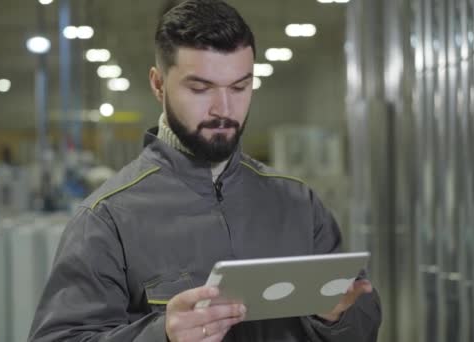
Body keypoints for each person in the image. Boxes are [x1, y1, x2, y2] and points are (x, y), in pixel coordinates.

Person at [28, 0, 381, 341]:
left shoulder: (298, 203)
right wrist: (161, 335)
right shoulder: (107, 219)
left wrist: (337, 316)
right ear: (158, 84)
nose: (223, 108)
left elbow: (363, 323)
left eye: (240, 87)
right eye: (200, 88)